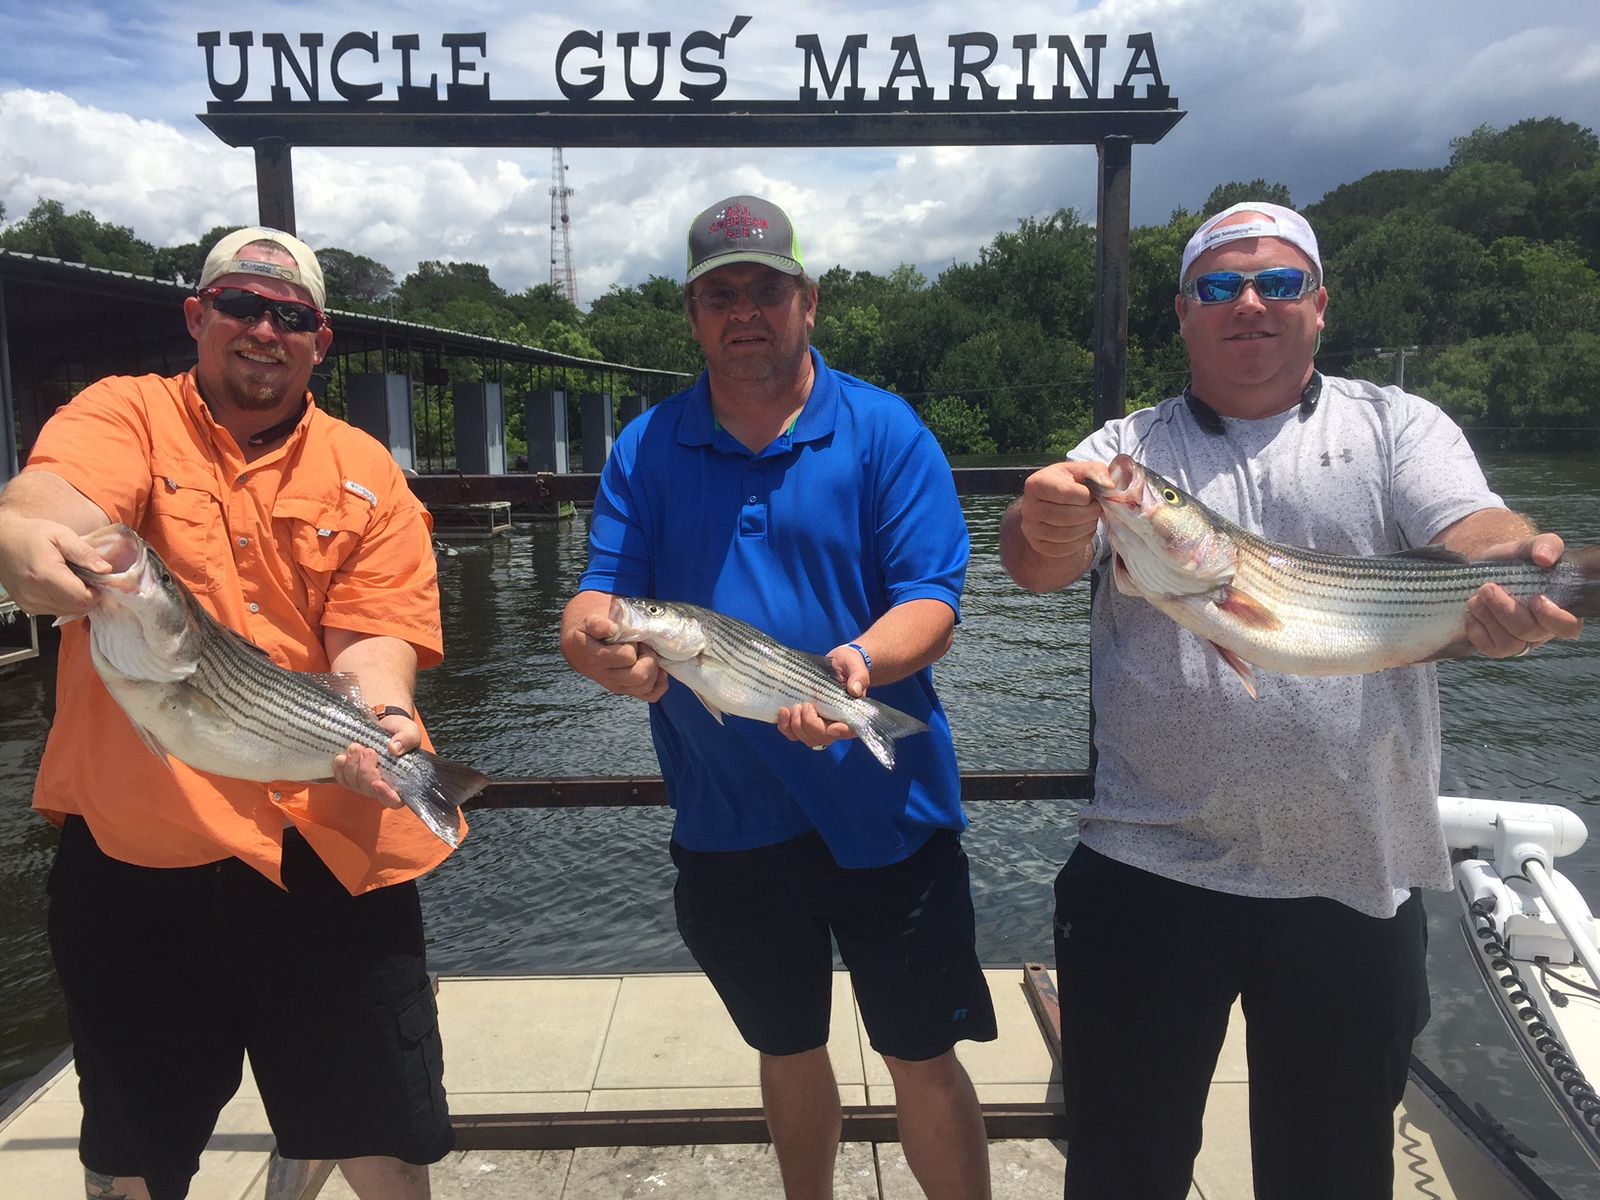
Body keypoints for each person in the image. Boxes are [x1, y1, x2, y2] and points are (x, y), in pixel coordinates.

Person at [999, 201, 1586, 1200]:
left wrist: (1518, 569)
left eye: (1276, 283)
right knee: (1121, 1169)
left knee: (1331, 1176)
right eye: (1217, 287)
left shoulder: (1394, 425)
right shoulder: (1129, 445)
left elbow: (1475, 525)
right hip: (1148, 865)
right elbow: (1035, 562)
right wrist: (1046, 515)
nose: (1248, 304)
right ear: (1182, 314)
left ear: (1318, 305)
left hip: (1355, 876)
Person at [0, 227, 459, 1200]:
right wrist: (24, 539)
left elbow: (376, 632)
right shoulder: (126, 413)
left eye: (289, 315)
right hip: (135, 860)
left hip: (331, 850)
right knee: (132, 1152)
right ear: (196, 316)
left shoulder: (367, 467)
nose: (263, 329)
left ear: (319, 340)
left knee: (383, 1137)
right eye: (240, 305)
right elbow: (52, 498)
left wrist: (382, 718)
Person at [561, 194, 997, 1200]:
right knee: (787, 1047)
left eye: (766, 289)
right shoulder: (647, 446)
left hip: (889, 810)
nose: (744, 312)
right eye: (720, 295)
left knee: (921, 1053)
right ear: (692, 315)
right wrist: (589, 645)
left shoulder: (884, 430)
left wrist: (859, 666)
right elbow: (601, 592)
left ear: (809, 301)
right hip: (728, 819)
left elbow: (933, 602)